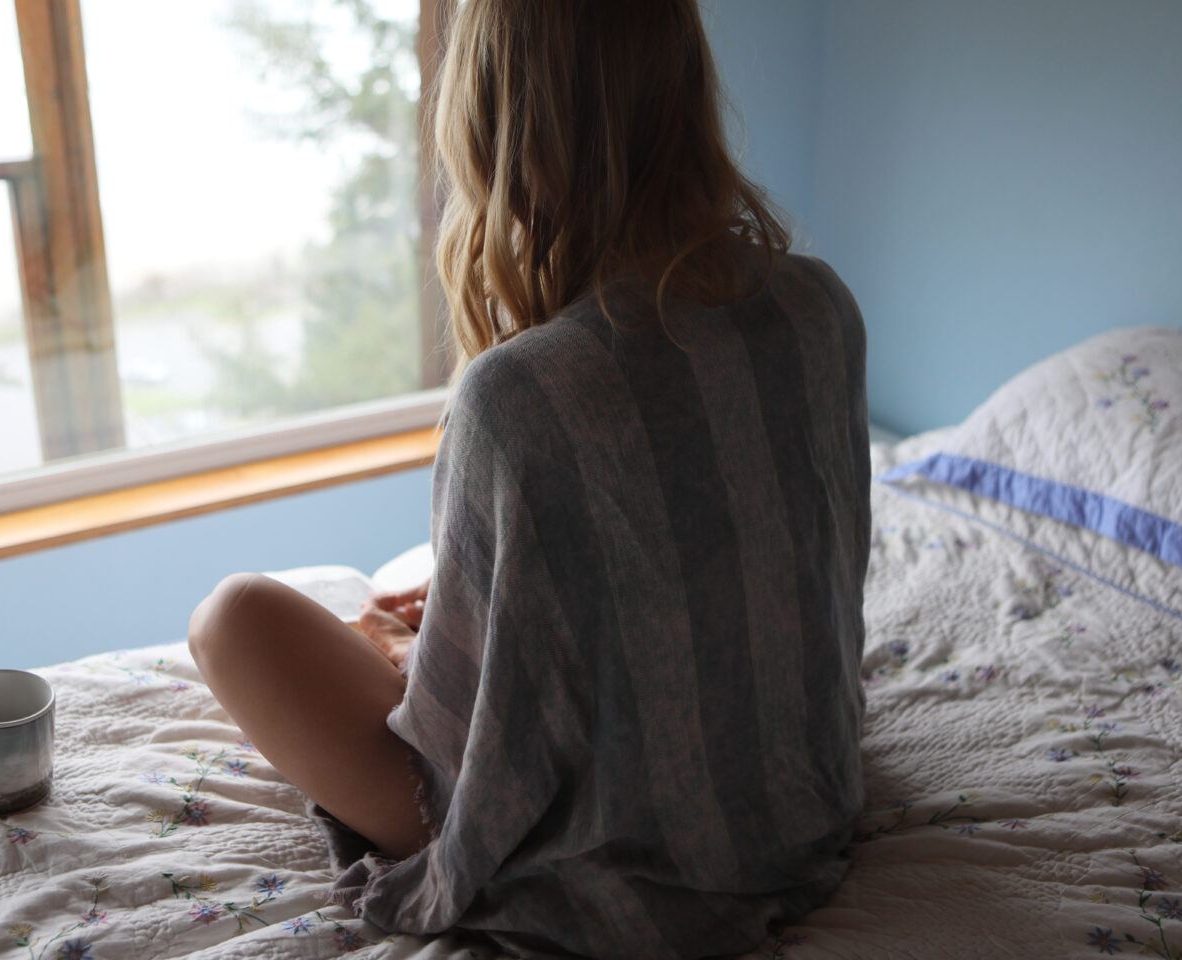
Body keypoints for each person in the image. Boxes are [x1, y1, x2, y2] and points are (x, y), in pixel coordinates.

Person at [189, 0, 870, 956]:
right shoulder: (822, 306)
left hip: (626, 866)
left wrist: (399, 654)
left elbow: (477, 762)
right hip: (805, 807)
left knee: (235, 618)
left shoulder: (521, 395)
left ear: (492, 122)